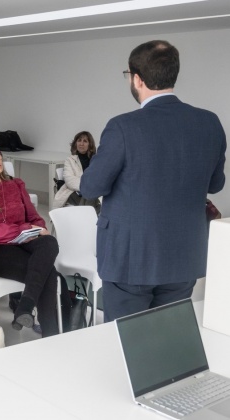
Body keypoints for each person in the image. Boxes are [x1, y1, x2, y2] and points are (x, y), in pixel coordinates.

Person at [80, 40, 226, 322]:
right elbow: (215, 184)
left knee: (126, 341)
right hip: (183, 255)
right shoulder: (209, 123)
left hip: (131, 258)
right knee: (166, 338)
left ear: (137, 79)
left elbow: (90, 186)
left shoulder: (122, 126)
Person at [0, 142, 60, 337]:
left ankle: (25, 306)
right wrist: (25, 229)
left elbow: (34, 217)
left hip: (24, 241)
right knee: (47, 273)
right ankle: (50, 334)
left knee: (49, 241)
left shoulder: (16, 184)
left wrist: (39, 228)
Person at [53, 131, 100, 211]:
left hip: (92, 192)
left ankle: (84, 217)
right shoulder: (70, 160)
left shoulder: (96, 160)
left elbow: (100, 178)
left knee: (91, 195)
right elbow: (70, 180)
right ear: (75, 143)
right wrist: (86, 187)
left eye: (85, 141)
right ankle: (88, 218)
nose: (81, 143)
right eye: (79, 140)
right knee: (91, 196)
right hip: (72, 192)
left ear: (90, 144)